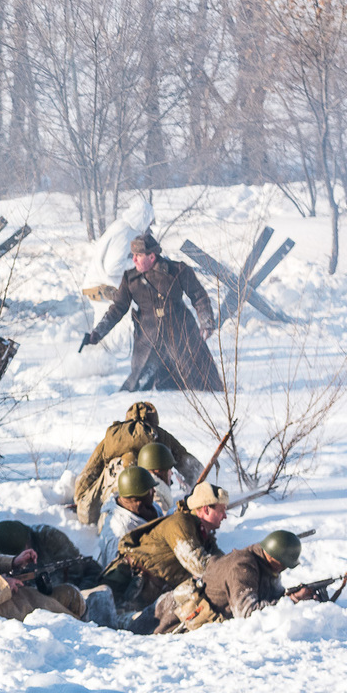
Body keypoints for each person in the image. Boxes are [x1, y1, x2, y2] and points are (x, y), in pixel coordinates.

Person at [81, 232, 223, 392]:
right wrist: (98, 333)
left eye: (138, 255)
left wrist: (206, 322)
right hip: (149, 338)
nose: (134, 260)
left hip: (182, 333)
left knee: (205, 383)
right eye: (133, 255)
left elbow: (199, 297)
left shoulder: (178, 271)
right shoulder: (130, 279)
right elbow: (117, 308)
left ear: (152, 256)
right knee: (138, 385)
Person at [150, 530, 317, 634]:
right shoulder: (243, 566)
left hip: (179, 613)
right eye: (283, 564)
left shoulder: (266, 564)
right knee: (127, 629)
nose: (284, 569)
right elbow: (247, 612)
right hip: (169, 615)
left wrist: (294, 597)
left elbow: (272, 596)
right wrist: (292, 601)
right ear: (274, 557)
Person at [107, 482, 229, 619]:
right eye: (222, 510)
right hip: (121, 594)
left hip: (144, 599)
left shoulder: (203, 534)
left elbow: (223, 564)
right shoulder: (180, 523)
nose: (224, 516)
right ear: (206, 509)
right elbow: (199, 566)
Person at [72, 401, 200, 526]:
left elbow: (90, 471)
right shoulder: (161, 436)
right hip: (147, 493)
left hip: (112, 493)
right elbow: (187, 462)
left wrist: (80, 497)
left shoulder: (113, 438)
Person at [81, 198, 155, 302]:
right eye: (150, 220)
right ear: (143, 217)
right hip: (101, 289)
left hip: (105, 285)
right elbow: (113, 268)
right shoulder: (125, 233)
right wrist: (139, 263)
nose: (150, 224)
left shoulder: (124, 227)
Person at [97, 466, 161, 567]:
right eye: (150, 490)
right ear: (139, 495)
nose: (154, 492)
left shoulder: (149, 508)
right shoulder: (119, 531)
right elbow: (115, 571)